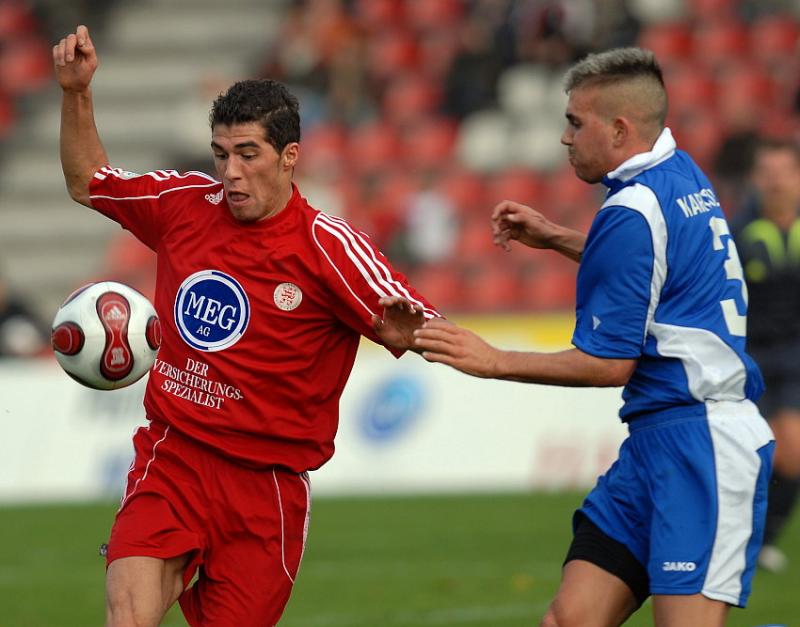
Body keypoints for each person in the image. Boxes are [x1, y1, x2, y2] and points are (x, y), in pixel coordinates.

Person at [53, 25, 438, 627]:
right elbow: (88, 182)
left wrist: (493, 358)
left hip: (267, 489)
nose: (230, 172)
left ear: (289, 157)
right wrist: (76, 92)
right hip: (173, 457)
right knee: (126, 616)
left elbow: (418, 328)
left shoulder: (325, 247)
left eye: (248, 155)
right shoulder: (184, 205)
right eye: (221, 154)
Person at [414, 48, 773, 627]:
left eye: (576, 122)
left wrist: (493, 360)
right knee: (570, 619)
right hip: (658, 441)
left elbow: (609, 366)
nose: (565, 137)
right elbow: (664, 269)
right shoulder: (680, 174)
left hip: (702, 446)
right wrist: (561, 238)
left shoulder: (634, 208)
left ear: (619, 129)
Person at [732, 138, 800, 573]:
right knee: (749, 456)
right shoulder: (739, 231)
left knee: (793, 452)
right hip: (751, 355)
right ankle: (738, 537)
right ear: (756, 179)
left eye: (784, 172)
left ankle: (765, 538)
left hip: (794, 355)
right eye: (767, 173)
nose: (775, 182)